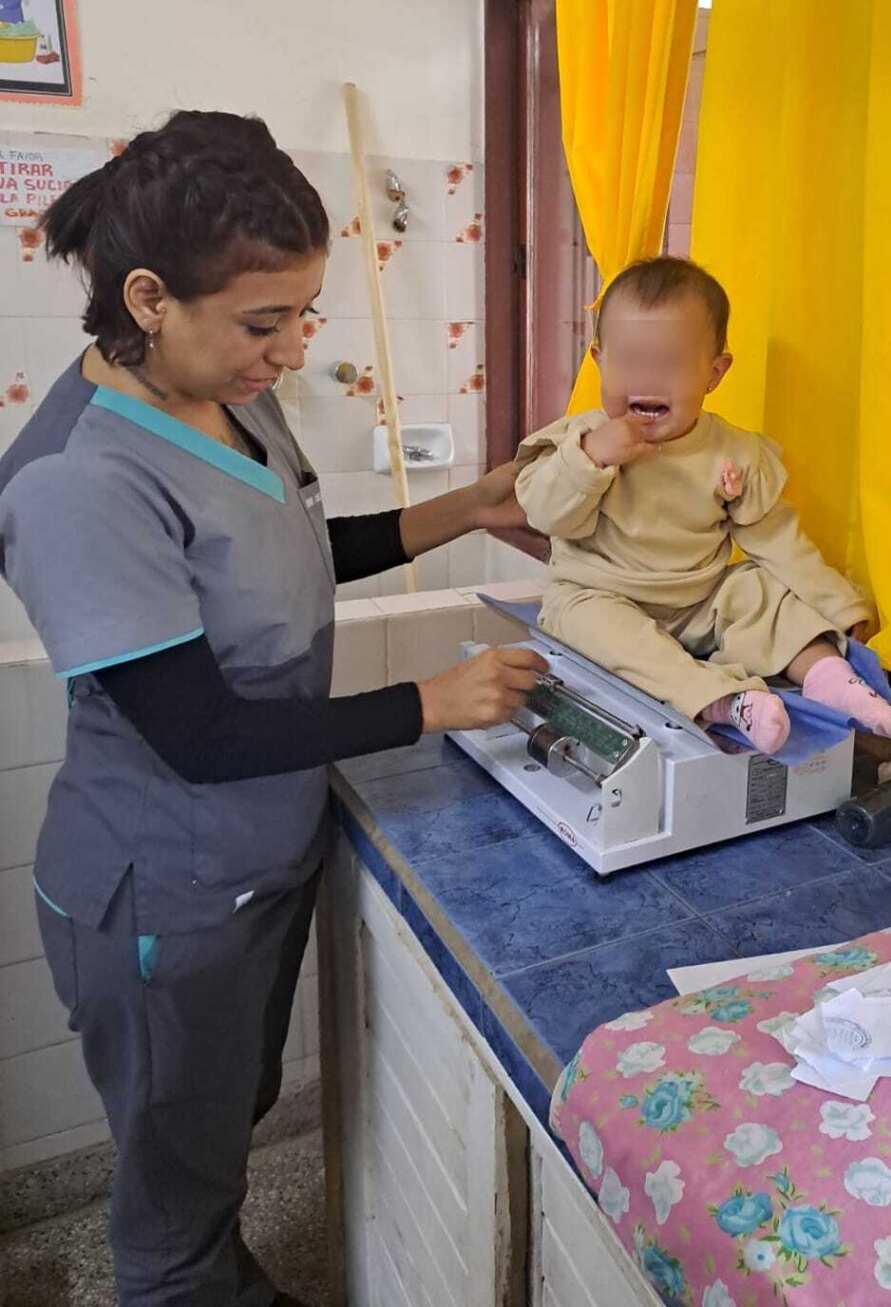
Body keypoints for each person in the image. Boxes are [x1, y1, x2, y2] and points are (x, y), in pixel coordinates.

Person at [0, 110, 545, 1307]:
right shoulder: (77, 481)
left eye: (305, 314)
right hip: (162, 893)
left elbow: (293, 549)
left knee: (216, 1124)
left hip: (253, 861)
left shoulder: (229, 398)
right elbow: (198, 732)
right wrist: (431, 701)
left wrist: (469, 507)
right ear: (149, 297)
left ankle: (218, 1271)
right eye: (264, 321)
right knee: (170, 1182)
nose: (291, 349)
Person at [514, 255, 891, 754]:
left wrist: (838, 604)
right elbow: (544, 514)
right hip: (598, 593)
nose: (647, 379)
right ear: (599, 361)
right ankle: (726, 702)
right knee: (595, 627)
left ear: (714, 373)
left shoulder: (733, 451)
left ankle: (832, 679)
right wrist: (591, 460)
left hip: (699, 599)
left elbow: (775, 539)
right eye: (629, 361)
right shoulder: (583, 440)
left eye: (671, 364)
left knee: (762, 591)